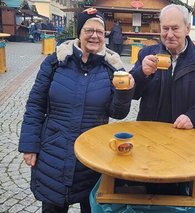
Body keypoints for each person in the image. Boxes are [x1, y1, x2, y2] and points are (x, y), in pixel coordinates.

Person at [18, 7, 135, 213]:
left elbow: (117, 113)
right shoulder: (55, 62)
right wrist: (30, 145)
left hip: (93, 155)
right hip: (53, 149)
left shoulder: (113, 69)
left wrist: (125, 92)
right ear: (79, 33)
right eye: (89, 30)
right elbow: (36, 104)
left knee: (91, 206)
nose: (94, 36)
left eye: (99, 32)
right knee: (53, 206)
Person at [129, 4, 195, 194]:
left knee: (182, 193)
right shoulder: (146, 54)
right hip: (149, 141)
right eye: (165, 28)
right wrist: (141, 73)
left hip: (186, 141)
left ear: (187, 28)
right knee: (148, 194)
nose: (169, 34)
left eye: (175, 28)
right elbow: (132, 93)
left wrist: (193, 116)